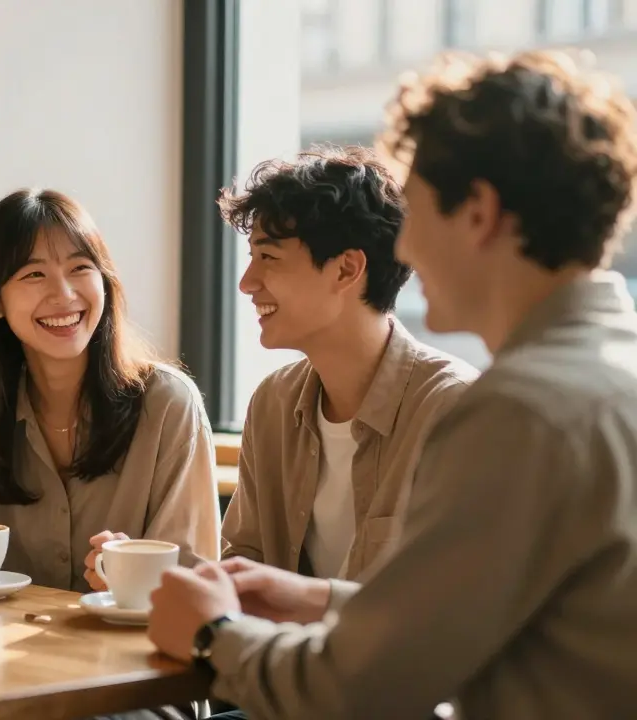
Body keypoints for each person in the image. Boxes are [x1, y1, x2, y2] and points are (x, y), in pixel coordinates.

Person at [147, 50, 637, 719]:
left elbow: (362, 688)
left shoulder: (520, 412)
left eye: (421, 206)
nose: (402, 250)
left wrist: (212, 636)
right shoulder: (605, 373)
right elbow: (493, 624)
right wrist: (319, 599)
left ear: (479, 212)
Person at [0, 188, 220, 593]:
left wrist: (136, 568)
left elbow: (193, 568)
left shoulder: (168, 404)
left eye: (80, 268)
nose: (64, 294)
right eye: (34, 274)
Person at [217, 146, 477, 583]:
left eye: (269, 258)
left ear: (346, 270)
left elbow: (450, 605)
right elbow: (245, 562)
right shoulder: (273, 403)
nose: (247, 284)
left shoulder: (451, 411)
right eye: (251, 258)